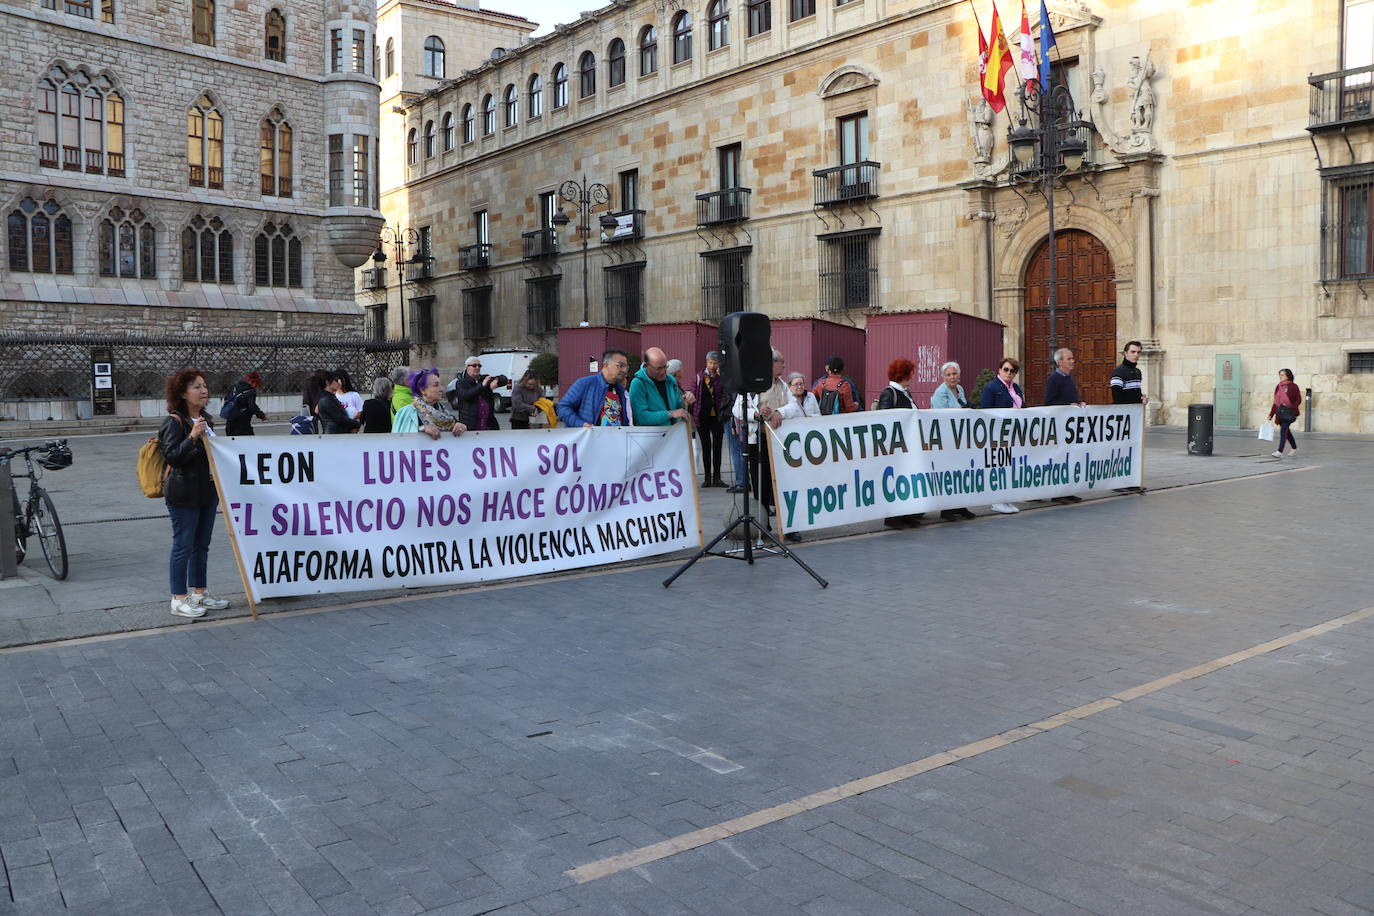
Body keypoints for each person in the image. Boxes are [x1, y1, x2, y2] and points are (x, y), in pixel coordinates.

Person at [159, 368, 229, 619]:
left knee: (202, 545)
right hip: (183, 493)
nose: (203, 391)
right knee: (183, 545)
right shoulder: (174, 421)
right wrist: (192, 437)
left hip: (207, 491)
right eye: (197, 387)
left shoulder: (207, 419)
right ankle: (178, 598)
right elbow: (172, 457)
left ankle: (200, 592)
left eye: (205, 386)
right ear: (183, 393)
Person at [734, 349, 790, 516]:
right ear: (771, 364)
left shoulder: (784, 385)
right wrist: (756, 414)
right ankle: (763, 522)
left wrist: (780, 412)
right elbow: (737, 409)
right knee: (760, 481)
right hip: (758, 439)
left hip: (781, 440)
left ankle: (787, 524)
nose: (784, 365)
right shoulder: (752, 385)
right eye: (781, 361)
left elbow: (793, 406)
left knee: (783, 482)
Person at [877, 358, 924, 529]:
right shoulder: (889, 393)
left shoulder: (905, 392)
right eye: (910, 374)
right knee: (895, 480)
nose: (912, 377)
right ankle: (892, 516)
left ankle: (906, 514)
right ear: (903, 375)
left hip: (908, 445)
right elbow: (883, 419)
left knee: (906, 479)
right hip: (896, 446)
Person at [929, 362, 977, 521]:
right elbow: (939, 416)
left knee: (962, 472)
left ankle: (960, 506)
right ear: (943, 377)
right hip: (947, 439)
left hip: (961, 438)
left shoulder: (960, 389)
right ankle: (947, 509)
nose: (952, 377)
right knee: (948, 473)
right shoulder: (940, 393)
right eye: (948, 375)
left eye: (954, 374)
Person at [980, 358, 1024, 515]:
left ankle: (1006, 498)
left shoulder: (1016, 388)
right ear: (999, 370)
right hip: (997, 433)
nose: (1009, 373)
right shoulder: (991, 387)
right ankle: (996, 500)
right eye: (1006, 369)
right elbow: (985, 410)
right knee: (999, 465)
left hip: (1014, 433)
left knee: (1010, 466)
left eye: (1012, 371)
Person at [557, 349, 633, 427]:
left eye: (626, 367)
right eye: (620, 365)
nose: (624, 370)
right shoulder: (585, 384)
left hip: (617, 437)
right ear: (606, 365)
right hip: (589, 437)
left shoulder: (622, 392)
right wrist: (581, 424)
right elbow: (563, 407)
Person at [394, 368, 468, 439]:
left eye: (440, 385)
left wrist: (460, 426)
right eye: (436, 385)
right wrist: (422, 429)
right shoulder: (407, 412)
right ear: (423, 390)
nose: (441, 389)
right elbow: (399, 439)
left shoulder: (445, 412)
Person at [630, 346, 695, 426]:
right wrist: (670, 414)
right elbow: (641, 418)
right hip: (652, 437)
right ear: (646, 366)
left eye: (665, 366)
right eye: (658, 368)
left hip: (672, 434)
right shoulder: (638, 383)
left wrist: (687, 401)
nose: (663, 372)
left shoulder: (670, 380)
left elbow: (679, 408)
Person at [691, 351, 729, 486]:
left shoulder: (721, 378)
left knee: (717, 447)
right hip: (702, 417)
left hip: (717, 417)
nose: (712, 365)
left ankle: (717, 477)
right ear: (706, 362)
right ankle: (707, 478)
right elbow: (692, 393)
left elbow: (725, 394)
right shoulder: (699, 377)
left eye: (715, 363)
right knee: (706, 447)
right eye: (710, 363)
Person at [450, 356, 502, 431]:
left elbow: (503, 379)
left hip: (488, 426)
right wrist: (482, 386)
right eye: (474, 366)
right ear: (467, 367)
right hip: (470, 425)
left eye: (479, 365)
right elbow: (466, 395)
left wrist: (497, 380)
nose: (477, 367)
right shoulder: (461, 382)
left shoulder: (484, 379)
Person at [1268, 368, 1301, 458]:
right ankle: (1294, 448)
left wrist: (1292, 408)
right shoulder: (1278, 387)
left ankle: (1280, 451)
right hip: (1280, 412)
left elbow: (1298, 399)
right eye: (1280, 375)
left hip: (1289, 412)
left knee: (1283, 430)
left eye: (1282, 375)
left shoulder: (1294, 386)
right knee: (1287, 431)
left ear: (1288, 376)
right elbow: (1275, 402)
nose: (1280, 377)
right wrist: (1271, 414)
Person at [223, 371, 267, 436]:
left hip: (229, 424)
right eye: (256, 384)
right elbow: (252, 406)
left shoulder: (233, 387)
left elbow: (226, 399)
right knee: (249, 443)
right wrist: (262, 416)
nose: (256, 386)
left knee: (232, 444)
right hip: (243, 425)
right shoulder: (251, 391)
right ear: (253, 382)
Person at [1110, 340, 1149, 405]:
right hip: (1124, 412)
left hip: (1136, 412)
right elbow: (1117, 398)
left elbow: (1133, 394)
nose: (1136, 355)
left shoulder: (1137, 372)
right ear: (1125, 353)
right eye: (1133, 352)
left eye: (1138, 352)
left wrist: (1142, 400)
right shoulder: (1118, 372)